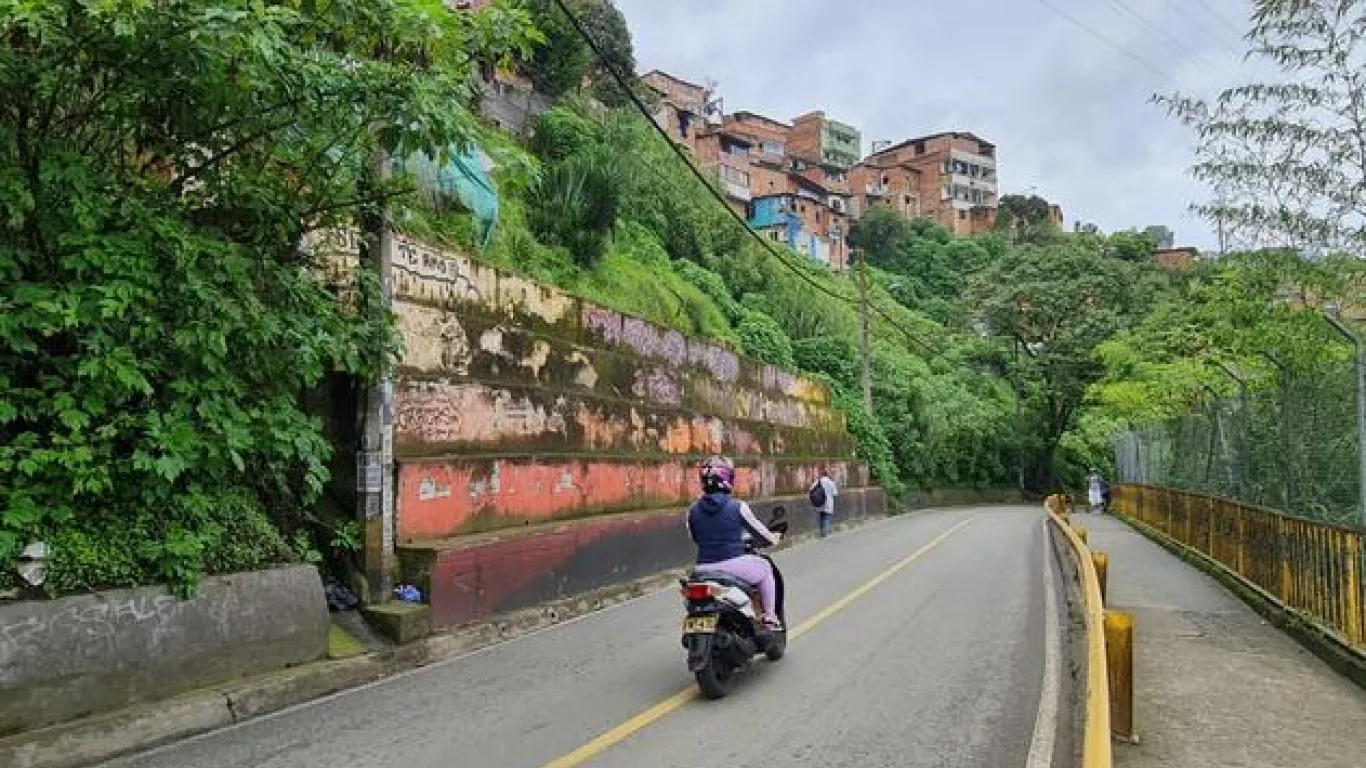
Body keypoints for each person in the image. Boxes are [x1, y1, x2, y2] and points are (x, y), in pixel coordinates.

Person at [686, 456, 783, 630]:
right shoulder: (737, 506)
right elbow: (761, 534)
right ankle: (769, 617)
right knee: (766, 569)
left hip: (702, 569)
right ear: (727, 479)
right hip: (733, 563)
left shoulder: (692, 511)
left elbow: (695, 538)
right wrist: (773, 538)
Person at [812, 467, 838, 537]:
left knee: (822, 517)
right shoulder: (830, 482)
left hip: (819, 502)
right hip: (828, 503)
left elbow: (812, 489)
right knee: (827, 518)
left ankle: (823, 532)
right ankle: (825, 533)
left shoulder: (818, 481)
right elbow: (835, 493)